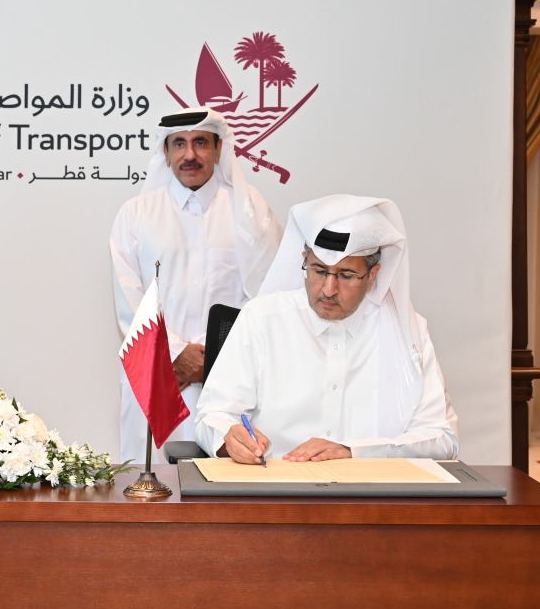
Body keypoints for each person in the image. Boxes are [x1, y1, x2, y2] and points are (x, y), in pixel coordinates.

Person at [195, 194, 460, 463]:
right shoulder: (262, 319)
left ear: (373, 276)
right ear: (303, 261)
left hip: (370, 496)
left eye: (346, 275)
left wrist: (354, 452)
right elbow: (212, 415)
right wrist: (229, 437)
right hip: (276, 492)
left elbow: (442, 437)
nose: (329, 289)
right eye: (319, 270)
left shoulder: (406, 331)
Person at [110, 107, 281, 465]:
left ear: (219, 150)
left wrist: (216, 360)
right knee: (151, 492)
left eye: (201, 142)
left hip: (231, 385)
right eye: (179, 144)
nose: (190, 154)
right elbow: (130, 303)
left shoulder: (251, 211)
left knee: (226, 500)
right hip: (158, 379)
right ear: (166, 152)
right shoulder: (135, 214)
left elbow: (270, 296)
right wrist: (176, 354)